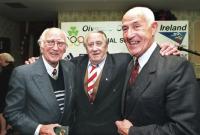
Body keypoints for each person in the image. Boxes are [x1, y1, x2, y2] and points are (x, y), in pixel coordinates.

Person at [25, 30, 180, 135]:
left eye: (99, 43)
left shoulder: (123, 60)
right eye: (90, 45)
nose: (95, 48)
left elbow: (146, 56)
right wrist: (36, 61)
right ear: (85, 47)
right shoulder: (74, 64)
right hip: (80, 130)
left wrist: (165, 49)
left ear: (107, 45)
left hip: (111, 130)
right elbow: (53, 61)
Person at [115, 7, 200, 135]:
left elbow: (185, 129)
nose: (129, 34)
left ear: (153, 28)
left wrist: (132, 132)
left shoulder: (177, 67)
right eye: (125, 29)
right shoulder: (130, 65)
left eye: (136, 26)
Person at [4, 27, 76, 135]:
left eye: (60, 43)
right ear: (41, 46)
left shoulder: (70, 68)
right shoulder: (23, 73)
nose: (55, 48)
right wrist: (40, 129)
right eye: (50, 42)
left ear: (65, 48)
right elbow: (11, 113)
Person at [0, 53, 15, 135]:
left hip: (4, 93)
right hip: (12, 94)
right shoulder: (13, 68)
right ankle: (9, 126)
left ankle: (3, 130)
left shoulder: (6, 71)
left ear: (5, 60)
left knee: (1, 112)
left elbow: (3, 84)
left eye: (0, 60)